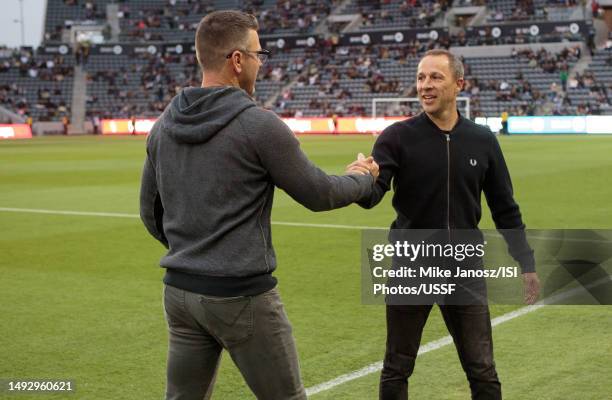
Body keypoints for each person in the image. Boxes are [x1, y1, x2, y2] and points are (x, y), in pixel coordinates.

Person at [139, 10, 378, 400]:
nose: (260, 64)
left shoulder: (164, 125)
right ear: (237, 60)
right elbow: (319, 193)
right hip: (241, 295)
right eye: (258, 54)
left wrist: (192, 252)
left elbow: (150, 212)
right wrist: (363, 179)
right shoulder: (258, 125)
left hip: (181, 294)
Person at [358, 49, 541, 399]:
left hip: (465, 267)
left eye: (435, 77)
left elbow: (504, 207)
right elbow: (373, 195)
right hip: (412, 266)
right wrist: (363, 180)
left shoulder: (483, 140)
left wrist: (526, 262)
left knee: (483, 370)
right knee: (397, 367)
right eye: (421, 78)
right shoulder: (396, 137)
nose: (425, 86)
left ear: (459, 84)